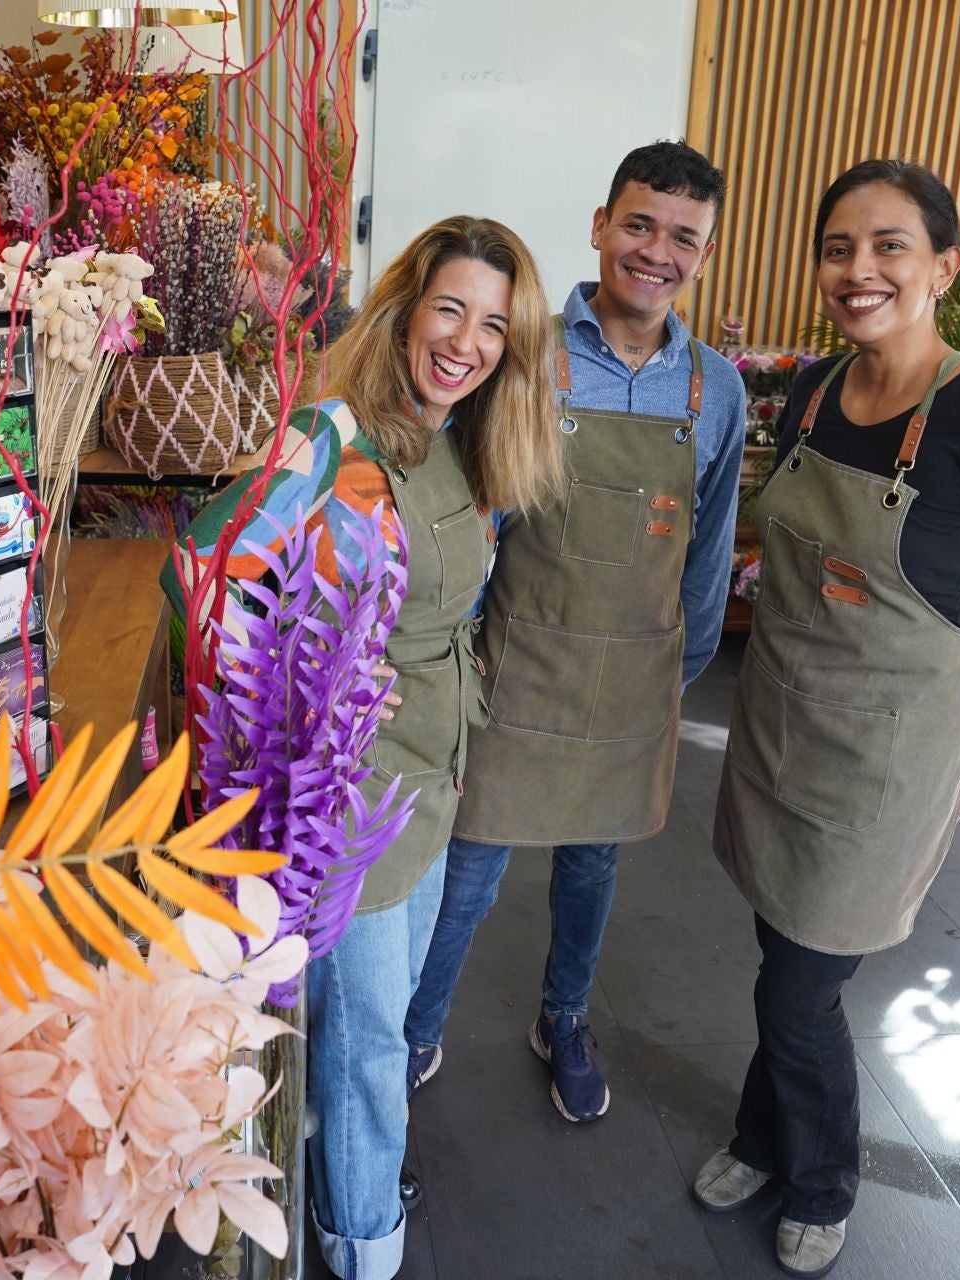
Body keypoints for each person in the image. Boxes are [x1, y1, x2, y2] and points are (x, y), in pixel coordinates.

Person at [691, 159, 960, 1278]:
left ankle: (819, 1177)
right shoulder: (816, 389)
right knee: (783, 948)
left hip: (887, 758)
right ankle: (765, 1137)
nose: (857, 270)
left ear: (944, 266)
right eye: (837, 248)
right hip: (781, 728)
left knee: (799, 982)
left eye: (888, 246)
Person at [164, 216, 562, 1280]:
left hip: (434, 776)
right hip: (353, 789)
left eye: (492, 325)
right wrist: (286, 701)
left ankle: (342, 1182)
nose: (466, 342)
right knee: (368, 1039)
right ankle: (362, 1242)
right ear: (406, 308)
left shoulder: (465, 443)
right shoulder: (337, 437)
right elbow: (202, 566)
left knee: (371, 1022)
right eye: (450, 309)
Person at [402, 141, 747, 1123]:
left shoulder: (712, 390)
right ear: (600, 226)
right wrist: (456, 669)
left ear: (704, 254)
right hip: (520, 662)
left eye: (684, 236)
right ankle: (421, 1029)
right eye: (639, 224)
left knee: (592, 872)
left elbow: (709, 544)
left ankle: (563, 1017)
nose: (656, 251)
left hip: (635, 677)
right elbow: (478, 520)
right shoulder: (528, 354)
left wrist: (680, 670)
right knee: (469, 869)